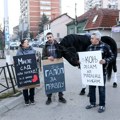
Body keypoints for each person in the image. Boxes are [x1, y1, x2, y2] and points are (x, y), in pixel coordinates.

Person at [85, 31, 115, 113]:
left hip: (101, 72)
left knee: (101, 89)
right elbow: (86, 59)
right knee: (91, 88)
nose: (90, 40)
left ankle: (102, 105)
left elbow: (112, 56)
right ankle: (92, 103)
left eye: (92, 38)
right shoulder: (89, 47)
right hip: (91, 73)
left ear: (97, 39)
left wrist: (105, 60)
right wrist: (82, 62)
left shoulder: (105, 46)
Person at [42, 32, 67, 105]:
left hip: (58, 64)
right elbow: (43, 56)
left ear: (53, 37)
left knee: (59, 80)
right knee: (49, 81)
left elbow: (63, 53)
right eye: (48, 38)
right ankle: (49, 98)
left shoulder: (58, 45)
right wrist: (48, 57)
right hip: (49, 65)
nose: (49, 38)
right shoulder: (45, 46)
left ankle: (61, 97)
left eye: (50, 37)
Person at [16, 38, 36, 105]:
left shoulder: (32, 49)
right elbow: (17, 61)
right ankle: (26, 100)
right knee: (25, 86)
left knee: (32, 85)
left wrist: (37, 58)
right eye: (26, 42)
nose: (27, 43)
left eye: (28, 42)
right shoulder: (19, 52)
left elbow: (35, 57)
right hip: (24, 71)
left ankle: (32, 99)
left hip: (32, 70)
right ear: (22, 44)